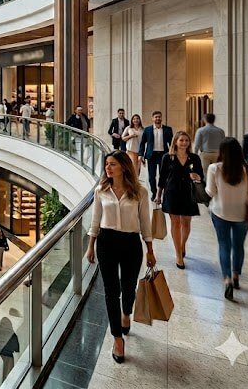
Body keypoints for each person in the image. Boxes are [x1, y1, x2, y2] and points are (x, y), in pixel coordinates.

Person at [86, 150, 154, 363]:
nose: (108, 168)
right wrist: (91, 246)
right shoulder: (101, 191)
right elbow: (95, 220)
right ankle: (117, 337)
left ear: (124, 167)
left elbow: (145, 222)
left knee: (128, 287)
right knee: (110, 291)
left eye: (113, 164)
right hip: (106, 242)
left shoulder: (139, 192)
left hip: (131, 243)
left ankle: (126, 313)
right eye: (107, 164)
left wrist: (150, 250)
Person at [207, 138, 248, 300]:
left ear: (221, 151)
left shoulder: (214, 168)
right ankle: (236, 275)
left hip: (220, 212)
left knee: (224, 245)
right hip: (242, 214)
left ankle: (227, 279)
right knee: (238, 246)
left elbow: (210, 192)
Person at [157, 131, 203, 269]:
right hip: (172, 193)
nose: (184, 143)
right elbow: (162, 178)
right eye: (181, 140)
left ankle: (182, 245)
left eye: (186, 140)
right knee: (175, 222)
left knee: (186, 222)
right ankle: (178, 254)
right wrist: (158, 195)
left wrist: (198, 177)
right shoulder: (167, 158)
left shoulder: (194, 158)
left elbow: (201, 175)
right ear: (175, 142)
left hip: (189, 193)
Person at [140, 111, 174, 199]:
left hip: (164, 155)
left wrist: (172, 154)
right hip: (152, 155)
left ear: (161, 118)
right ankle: (154, 192)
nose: (158, 118)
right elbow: (143, 143)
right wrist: (141, 155)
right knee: (152, 176)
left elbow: (171, 143)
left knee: (164, 175)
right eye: (156, 117)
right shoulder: (147, 130)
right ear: (152, 118)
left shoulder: (168, 129)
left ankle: (164, 192)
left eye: (159, 117)